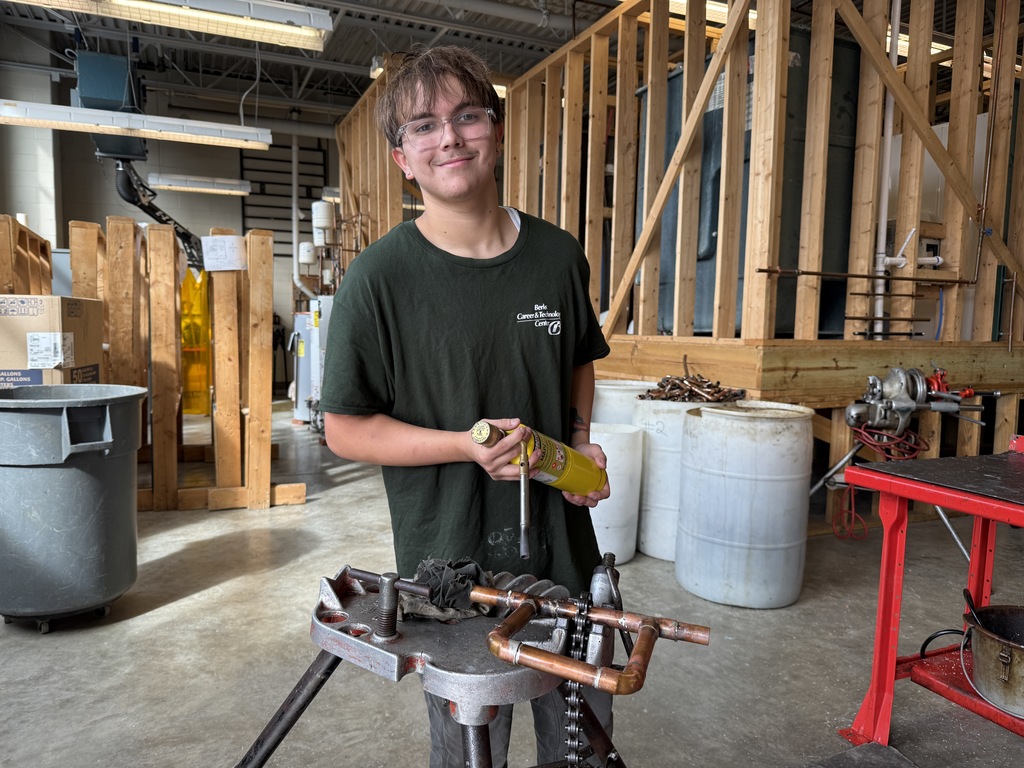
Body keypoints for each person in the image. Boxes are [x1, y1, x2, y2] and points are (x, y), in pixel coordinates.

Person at [318, 44, 613, 768]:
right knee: (468, 754)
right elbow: (344, 428)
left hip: (565, 563)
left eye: (467, 116)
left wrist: (580, 438)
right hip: (449, 574)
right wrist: (464, 445)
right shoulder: (378, 279)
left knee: (581, 749)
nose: (448, 136)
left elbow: (579, 355)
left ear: (497, 131)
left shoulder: (556, 256)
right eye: (423, 126)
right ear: (403, 159)